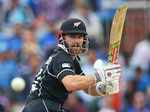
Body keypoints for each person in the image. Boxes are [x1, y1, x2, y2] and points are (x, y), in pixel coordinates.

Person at [22, 18, 121, 112]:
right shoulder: (61, 57)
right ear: (62, 38)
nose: (77, 41)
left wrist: (104, 88)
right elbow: (71, 84)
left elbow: (86, 88)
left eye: (79, 37)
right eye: (72, 37)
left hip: (45, 107)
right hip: (42, 107)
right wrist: (99, 75)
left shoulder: (72, 61)